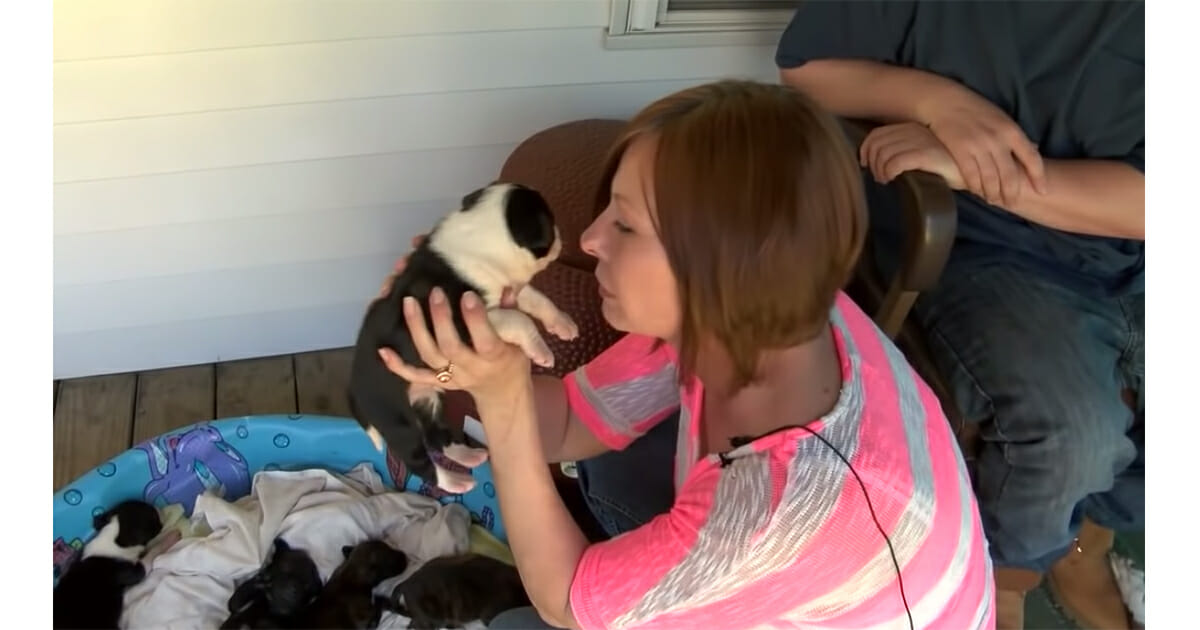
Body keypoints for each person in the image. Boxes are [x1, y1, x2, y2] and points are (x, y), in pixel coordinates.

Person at [377, 80, 992, 629]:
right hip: (801, 552)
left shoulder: (773, 512)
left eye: (626, 225)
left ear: (725, 263)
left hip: (812, 541)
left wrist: (503, 397)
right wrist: (456, 361)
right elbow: (569, 420)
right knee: (602, 472)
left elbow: (564, 601)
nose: (590, 239)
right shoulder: (749, 311)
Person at [774, 2, 1145, 629]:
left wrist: (983, 172)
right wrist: (937, 101)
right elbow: (806, 65)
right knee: (1070, 434)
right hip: (979, 246)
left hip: (1121, 240)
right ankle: (1008, 572)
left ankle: (1087, 536)